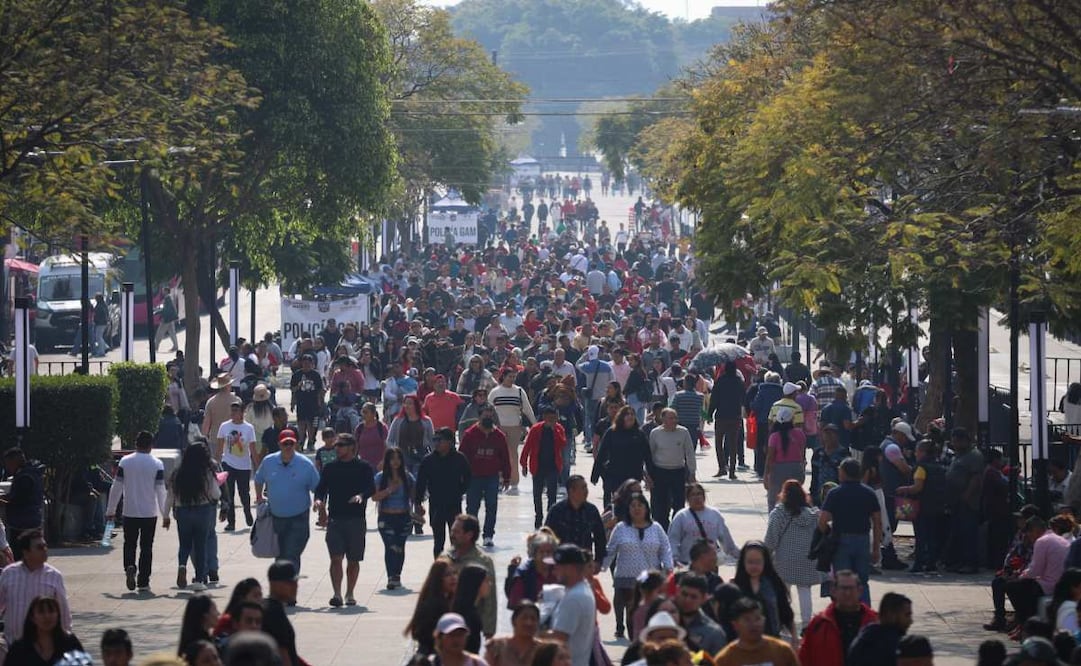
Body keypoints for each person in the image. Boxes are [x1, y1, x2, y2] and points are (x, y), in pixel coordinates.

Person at [314, 433, 375, 605]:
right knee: (336, 557)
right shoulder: (330, 468)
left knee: (353, 560)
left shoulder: (364, 467)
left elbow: (371, 488)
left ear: (351, 447)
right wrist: (319, 501)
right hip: (335, 519)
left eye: (341, 445)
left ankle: (350, 593)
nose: (337, 448)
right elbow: (320, 489)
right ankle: (337, 594)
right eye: (336, 445)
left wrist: (361, 496)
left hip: (356, 519)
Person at [603, 494, 674, 639]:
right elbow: (611, 550)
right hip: (626, 577)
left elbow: (665, 549)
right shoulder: (621, 528)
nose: (636, 509)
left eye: (640, 505)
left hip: (650, 580)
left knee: (649, 612)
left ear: (646, 508)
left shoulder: (656, 528)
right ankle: (632, 638)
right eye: (633, 506)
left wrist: (668, 567)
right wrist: (600, 566)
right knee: (631, 612)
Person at [106, 430, 168, 592]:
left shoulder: (125, 462)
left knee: (130, 543)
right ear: (151, 446)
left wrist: (111, 510)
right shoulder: (157, 464)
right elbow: (161, 491)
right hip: (149, 512)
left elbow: (116, 487)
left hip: (129, 511)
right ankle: (143, 580)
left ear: (136, 444)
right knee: (147, 546)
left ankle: (129, 567)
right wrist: (165, 514)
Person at [253, 430, 321, 572]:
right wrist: (259, 496)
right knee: (280, 554)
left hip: (299, 517)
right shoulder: (269, 461)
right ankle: (282, 585)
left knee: (291, 552)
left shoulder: (306, 464)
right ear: (279, 444)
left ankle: (290, 582)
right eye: (285, 443)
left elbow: (317, 488)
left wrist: (318, 503)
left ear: (296, 444)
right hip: (276, 517)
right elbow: (258, 479)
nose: (288, 446)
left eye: (291, 443)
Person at [0, 531, 72, 659]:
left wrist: (65, 640)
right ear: (26, 552)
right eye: (39, 547)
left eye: (45, 546)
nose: (44, 550)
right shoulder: (8, 574)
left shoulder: (54, 576)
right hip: (13, 649)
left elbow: (63, 612)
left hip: (44, 651)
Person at [819, 458, 882, 604]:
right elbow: (877, 522)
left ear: (843, 473)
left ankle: (844, 612)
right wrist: (876, 548)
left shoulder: (835, 493)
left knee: (843, 581)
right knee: (862, 581)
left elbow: (822, 521)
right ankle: (865, 614)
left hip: (841, 540)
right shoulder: (869, 493)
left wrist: (827, 535)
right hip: (863, 539)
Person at [763, 480, 821, 631]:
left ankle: (783, 621)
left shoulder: (779, 513)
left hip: (784, 559)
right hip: (807, 558)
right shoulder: (812, 515)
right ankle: (807, 623)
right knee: (804, 590)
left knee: (783, 591)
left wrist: (766, 555)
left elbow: (771, 538)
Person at [166, 441, 222, 591]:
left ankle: (182, 565)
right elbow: (216, 493)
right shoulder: (206, 472)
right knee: (200, 545)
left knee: (184, 544)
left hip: (182, 511)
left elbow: (170, 496)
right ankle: (199, 579)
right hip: (202, 511)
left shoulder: (177, 473)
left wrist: (165, 515)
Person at [797, 570, 877, 666]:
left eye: (851, 588)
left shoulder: (876, 622)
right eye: (843, 588)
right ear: (833, 591)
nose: (847, 593)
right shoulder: (818, 624)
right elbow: (803, 659)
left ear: (860, 591)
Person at [459, 404, 511, 549]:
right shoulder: (470, 434)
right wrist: (461, 476)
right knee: (472, 508)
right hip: (473, 477)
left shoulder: (499, 436)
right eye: (485, 415)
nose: (488, 418)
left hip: (492, 477)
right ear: (479, 416)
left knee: (492, 506)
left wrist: (506, 477)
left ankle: (488, 535)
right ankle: (471, 535)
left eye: (490, 415)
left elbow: (505, 457)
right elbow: (462, 456)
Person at [1006, 515, 1071, 628]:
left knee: (1012, 586)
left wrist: (1020, 576)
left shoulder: (1042, 541)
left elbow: (1035, 570)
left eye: (1030, 534)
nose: (1030, 537)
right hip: (1062, 583)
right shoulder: (1058, 539)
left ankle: (1025, 622)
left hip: (1049, 585)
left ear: (1036, 530)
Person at [896, 439, 947, 573]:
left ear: (923, 452)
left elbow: (917, 487)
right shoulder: (939, 466)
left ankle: (918, 564)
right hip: (937, 506)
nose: (915, 453)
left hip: (922, 506)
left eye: (917, 450)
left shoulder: (921, 467)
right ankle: (931, 563)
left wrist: (904, 489)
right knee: (932, 536)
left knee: (921, 536)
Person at [445, 515, 498, 642]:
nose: (452, 535)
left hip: (470, 626)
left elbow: (490, 598)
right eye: (452, 531)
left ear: (469, 535)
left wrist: (489, 631)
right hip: (445, 623)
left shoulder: (483, 561)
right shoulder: (445, 557)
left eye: (456, 532)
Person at [732, 541, 795, 643]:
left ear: (765, 562)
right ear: (743, 563)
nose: (754, 566)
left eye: (758, 562)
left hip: (772, 641)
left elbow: (786, 613)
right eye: (750, 562)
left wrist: (795, 639)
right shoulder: (735, 587)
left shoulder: (774, 584)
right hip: (743, 643)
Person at [592, 405, 653, 508]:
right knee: (617, 504)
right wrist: (595, 475)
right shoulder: (612, 432)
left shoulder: (639, 434)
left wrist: (650, 476)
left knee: (633, 503)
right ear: (621, 417)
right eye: (627, 414)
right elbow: (602, 454)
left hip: (634, 475)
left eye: (632, 414)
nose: (630, 416)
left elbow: (647, 456)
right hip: (615, 475)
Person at [546, 544, 597, 666]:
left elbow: (557, 640)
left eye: (557, 566)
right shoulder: (582, 589)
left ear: (570, 568)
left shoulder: (574, 599)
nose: (553, 571)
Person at [374, 447, 417, 590]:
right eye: (392, 458)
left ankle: (397, 575)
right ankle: (391, 576)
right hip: (386, 517)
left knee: (399, 547)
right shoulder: (380, 477)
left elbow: (413, 496)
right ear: (387, 460)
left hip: (403, 517)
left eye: (398, 458)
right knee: (390, 546)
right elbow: (374, 497)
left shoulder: (407, 477)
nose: (395, 462)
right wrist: (389, 490)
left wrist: (418, 511)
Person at [667, 483, 740, 567]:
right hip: (688, 564)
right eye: (693, 495)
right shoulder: (681, 516)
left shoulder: (714, 514)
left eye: (699, 494)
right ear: (687, 499)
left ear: (704, 496)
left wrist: (739, 555)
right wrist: (674, 559)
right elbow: (673, 540)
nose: (697, 497)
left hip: (710, 564)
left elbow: (726, 540)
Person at [490, 367, 537, 496]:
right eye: (509, 376)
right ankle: (500, 480)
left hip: (514, 426)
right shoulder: (495, 392)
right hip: (498, 427)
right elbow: (488, 408)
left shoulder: (519, 391)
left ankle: (514, 482)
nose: (511, 379)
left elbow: (527, 409)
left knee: (512, 454)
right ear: (503, 377)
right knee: (498, 455)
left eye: (513, 377)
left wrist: (535, 424)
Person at [712, 597, 798, 666]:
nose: (753, 624)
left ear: (764, 620)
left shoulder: (782, 651)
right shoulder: (725, 659)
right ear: (735, 625)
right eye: (747, 620)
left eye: (757, 619)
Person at [648, 408, 696, 529]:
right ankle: (662, 528)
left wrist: (692, 472)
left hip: (678, 471)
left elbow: (689, 453)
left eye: (675, 418)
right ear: (663, 419)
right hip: (660, 472)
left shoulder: (683, 432)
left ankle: (677, 527)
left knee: (679, 503)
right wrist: (648, 475)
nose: (674, 420)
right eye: (671, 418)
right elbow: (650, 455)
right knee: (660, 505)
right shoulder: (655, 433)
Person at [945, 428, 984, 574]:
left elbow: (976, 478)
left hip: (968, 501)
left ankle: (970, 563)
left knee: (969, 532)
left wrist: (967, 495)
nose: (954, 444)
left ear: (964, 441)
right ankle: (958, 561)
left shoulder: (973, 456)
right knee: (958, 532)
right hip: (956, 500)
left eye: (956, 441)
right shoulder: (959, 455)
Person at [2, 594, 83, 666]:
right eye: (41, 612)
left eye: (51, 611)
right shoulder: (19, 648)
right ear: (32, 618)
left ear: (58, 615)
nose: (47, 616)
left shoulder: (70, 643)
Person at [543, 475, 608, 564]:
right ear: (571, 491)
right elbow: (546, 536)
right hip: (562, 563)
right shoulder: (557, 510)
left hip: (584, 563)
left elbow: (600, 536)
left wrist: (598, 561)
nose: (586, 491)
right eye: (583, 488)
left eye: (586, 487)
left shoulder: (591, 510)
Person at [520, 407, 567, 529]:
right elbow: (527, 446)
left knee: (552, 493)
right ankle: (538, 516)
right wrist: (523, 464)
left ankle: (551, 517)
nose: (552, 420)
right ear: (544, 417)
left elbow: (563, 444)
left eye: (554, 418)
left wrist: (554, 431)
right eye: (549, 418)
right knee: (537, 493)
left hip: (553, 466)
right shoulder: (535, 429)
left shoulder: (559, 429)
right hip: (538, 466)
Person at [216, 401, 258, 531]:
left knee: (244, 493)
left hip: (244, 466)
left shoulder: (248, 428)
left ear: (242, 412)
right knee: (229, 494)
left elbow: (252, 449)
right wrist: (215, 464)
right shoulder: (224, 426)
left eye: (236, 411)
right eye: (232, 410)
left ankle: (247, 511)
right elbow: (219, 447)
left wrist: (258, 465)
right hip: (228, 463)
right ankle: (231, 522)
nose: (233, 413)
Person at [406, 557, 458, 657]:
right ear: (438, 579)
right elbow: (423, 634)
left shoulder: (447, 600)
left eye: (454, 573)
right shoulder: (434, 604)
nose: (453, 578)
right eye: (447, 575)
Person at [847, 592, 914, 666]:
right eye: (907, 615)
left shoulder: (864, 636)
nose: (911, 621)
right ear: (892, 615)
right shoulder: (894, 647)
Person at [2, 448, 44, 561]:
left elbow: (19, 499)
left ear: (15, 461)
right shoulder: (30, 473)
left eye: (8, 463)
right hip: (31, 521)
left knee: (22, 556)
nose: (7, 467)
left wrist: (4, 501)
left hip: (23, 524)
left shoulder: (25, 476)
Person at [763, 407, 806, 511]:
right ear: (792, 419)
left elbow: (770, 458)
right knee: (795, 499)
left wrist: (766, 475)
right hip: (796, 468)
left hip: (778, 470)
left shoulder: (774, 437)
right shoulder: (800, 434)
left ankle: (775, 522)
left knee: (774, 500)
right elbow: (802, 454)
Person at [708, 361, 746, 480]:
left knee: (719, 442)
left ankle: (722, 468)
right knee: (733, 444)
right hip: (735, 416)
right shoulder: (739, 381)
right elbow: (744, 397)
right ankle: (732, 471)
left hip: (721, 416)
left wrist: (709, 414)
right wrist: (748, 410)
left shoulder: (720, 381)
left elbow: (714, 398)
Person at [673, 574, 728, 655]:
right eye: (684, 594)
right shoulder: (664, 623)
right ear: (677, 591)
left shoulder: (713, 633)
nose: (687, 600)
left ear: (704, 598)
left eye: (693, 597)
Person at [261, 560, 302, 665]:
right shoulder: (274, 613)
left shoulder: (270, 607)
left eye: (296, 583)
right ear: (274, 584)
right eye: (290, 583)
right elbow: (282, 653)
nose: (295, 587)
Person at [505, 530, 559, 609]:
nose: (545, 555)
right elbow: (515, 605)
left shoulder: (560, 572)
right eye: (541, 552)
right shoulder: (523, 574)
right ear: (534, 554)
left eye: (548, 552)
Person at [483, 600, 542, 666]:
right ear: (513, 621)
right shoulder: (497, 647)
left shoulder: (544, 650)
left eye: (533, 619)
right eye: (524, 618)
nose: (529, 623)